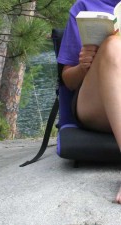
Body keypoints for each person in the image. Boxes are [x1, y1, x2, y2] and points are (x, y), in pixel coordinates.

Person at [57, 0, 121, 204]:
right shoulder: (85, 6)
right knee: (112, 46)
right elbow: (68, 80)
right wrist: (84, 66)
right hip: (95, 105)